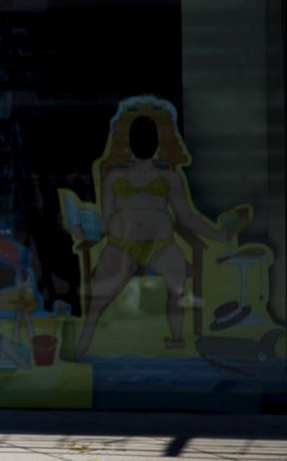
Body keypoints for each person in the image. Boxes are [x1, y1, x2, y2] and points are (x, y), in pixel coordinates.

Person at [75, 98, 251, 358]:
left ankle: (177, 340)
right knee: (98, 300)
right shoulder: (114, 177)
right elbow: (106, 220)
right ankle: (81, 348)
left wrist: (218, 234)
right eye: (139, 138)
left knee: (177, 288)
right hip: (122, 246)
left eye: (149, 138)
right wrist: (85, 232)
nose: (144, 143)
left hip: (161, 246)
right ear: (128, 143)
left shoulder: (170, 177)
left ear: (158, 142)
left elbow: (186, 217)